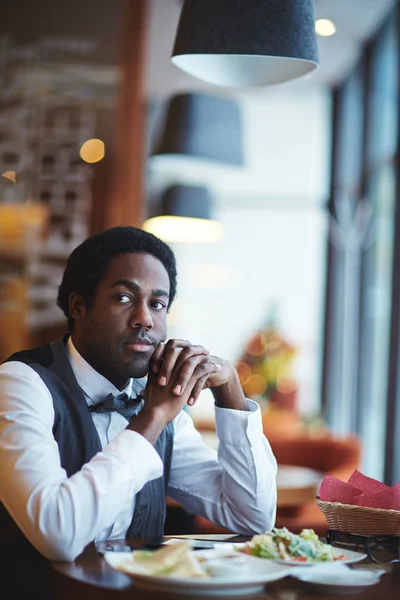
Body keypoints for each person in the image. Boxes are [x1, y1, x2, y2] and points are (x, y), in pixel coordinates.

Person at [0, 226, 277, 598]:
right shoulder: (19, 384)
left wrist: (230, 390)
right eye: (123, 297)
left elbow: (252, 517)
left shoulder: (157, 396)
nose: (145, 319)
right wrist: (152, 419)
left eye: (157, 304)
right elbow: (58, 535)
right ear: (78, 307)